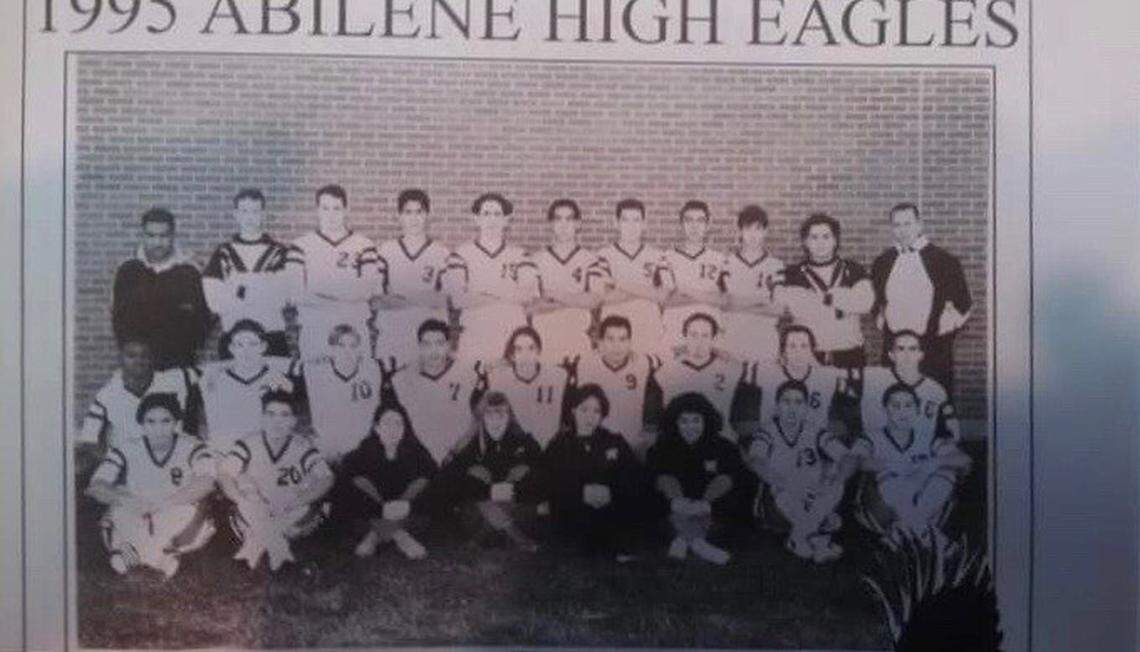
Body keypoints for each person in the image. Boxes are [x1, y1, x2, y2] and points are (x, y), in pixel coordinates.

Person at [86, 394, 217, 578]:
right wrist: (129, 500)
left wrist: (164, 503)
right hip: (139, 510)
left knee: (188, 512)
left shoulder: (193, 446)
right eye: (151, 422)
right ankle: (159, 558)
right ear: (142, 424)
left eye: (166, 421)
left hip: (174, 508)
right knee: (119, 510)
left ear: (176, 422)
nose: (158, 429)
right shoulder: (127, 448)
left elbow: (207, 482)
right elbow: (96, 485)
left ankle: (134, 554)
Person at [742, 380, 861, 563]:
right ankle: (817, 536)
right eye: (786, 402)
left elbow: (849, 458)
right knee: (790, 494)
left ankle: (803, 537)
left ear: (806, 407)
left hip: (812, 497)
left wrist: (835, 480)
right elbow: (756, 461)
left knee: (836, 483)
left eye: (798, 403)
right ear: (777, 406)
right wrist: (792, 485)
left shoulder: (814, 431)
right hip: (778, 502)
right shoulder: (767, 432)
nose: (792, 408)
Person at [218, 390, 334, 572]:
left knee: (310, 501)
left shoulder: (302, 445)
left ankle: (254, 546)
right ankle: (281, 552)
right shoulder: (248, 443)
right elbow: (224, 474)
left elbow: (327, 478)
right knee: (245, 491)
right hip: (256, 508)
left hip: (289, 510)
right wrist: (242, 500)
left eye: (284, 415)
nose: (276, 421)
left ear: (293, 421)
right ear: (263, 418)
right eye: (270, 415)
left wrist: (293, 502)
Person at [870, 202, 973, 393]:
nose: (902, 231)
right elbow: (876, 300)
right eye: (897, 225)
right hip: (896, 348)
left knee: (934, 401)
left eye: (907, 224)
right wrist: (881, 320)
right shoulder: (882, 262)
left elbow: (963, 302)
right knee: (895, 399)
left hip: (932, 348)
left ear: (919, 225)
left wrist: (943, 331)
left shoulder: (944, 260)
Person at [856, 383, 972, 547]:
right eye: (895, 406)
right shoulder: (871, 437)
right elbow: (858, 461)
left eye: (908, 405)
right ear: (885, 410)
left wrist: (934, 462)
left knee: (947, 470)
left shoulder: (927, 437)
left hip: (924, 498)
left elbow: (964, 459)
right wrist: (895, 465)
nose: (902, 411)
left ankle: (904, 530)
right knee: (884, 473)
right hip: (885, 506)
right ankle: (933, 539)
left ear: (917, 409)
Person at [646, 392, 753, 565]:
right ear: (674, 423)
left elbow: (733, 480)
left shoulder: (724, 447)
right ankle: (698, 544)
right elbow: (655, 481)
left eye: (696, 420)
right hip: (675, 511)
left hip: (711, 512)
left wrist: (706, 504)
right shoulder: (661, 447)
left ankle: (684, 540)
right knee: (666, 503)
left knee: (723, 502)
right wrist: (677, 502)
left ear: (706, 420)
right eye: (684, 421)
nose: (690, 427)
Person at [543, 384, 643, 560]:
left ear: (603, 414)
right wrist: (581, 492)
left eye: (597, 411)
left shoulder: (614, 440)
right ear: (573, 410)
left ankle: (612, 541)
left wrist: (611, 491)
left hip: (609, 505)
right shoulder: (559, 444)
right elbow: (550, 481)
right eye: (584, 409)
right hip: (574, 508)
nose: (590, 416)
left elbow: (632, 473)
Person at [284, 184, 382, 361]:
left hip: (353, 329)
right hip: (315, 328)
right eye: (325, 208)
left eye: (336, 208)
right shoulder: (301, 245)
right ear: (317, 210)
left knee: (355, 382)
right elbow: (296, 294)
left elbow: (368, 290)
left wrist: (320, 292)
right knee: (317, 384)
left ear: (345, 210)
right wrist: (347, 293)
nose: (331, 214)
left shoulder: (364, 245)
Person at [437, 391, 543, 551]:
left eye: (501, 415)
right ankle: (516, 537)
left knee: (526, 506)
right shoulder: (469, 444)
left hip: (516, 512)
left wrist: (515, 487)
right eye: (489, 415)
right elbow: (446, 481)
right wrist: (488, 490)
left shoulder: (526, 442)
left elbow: (544, 476)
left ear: (510, 417)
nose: (496, 421)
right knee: (477, 504)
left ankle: (480, 539)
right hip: (480, 515)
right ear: (481, 418)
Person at [334, 402, 437, 560]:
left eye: (398, 424)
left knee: (427, 487)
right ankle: (400, 536)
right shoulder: (362, 452)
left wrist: (406, 503)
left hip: (405, 511)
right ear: (377, 427)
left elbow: (431, 477)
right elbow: (347, 479)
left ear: (405, 428)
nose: (393, 429)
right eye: (387, 423)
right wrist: (380, 507)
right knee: (353, 486)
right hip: (372, 511)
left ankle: (374, 535)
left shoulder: (417, 451)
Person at [111, 207, 211, 369]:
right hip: (139, 370)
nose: (157, 242)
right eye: (151, 236)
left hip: (179, 366)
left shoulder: (189, 273)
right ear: (143, 236)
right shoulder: (128, 271)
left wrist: (184, 350)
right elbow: (119, 321)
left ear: (173, 236)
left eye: (163, 236)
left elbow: (202, 323)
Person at [201, 188, 293, 357]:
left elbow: (283, 297)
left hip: (272, 336)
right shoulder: (223, 253)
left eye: (255, 211)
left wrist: (238, 288)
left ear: (263, 214)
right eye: (244, 211)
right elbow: (214, 302)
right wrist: (263, 285)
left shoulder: (279, 253)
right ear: (236, 214)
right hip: (234, 338)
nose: (249, 217)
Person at [776, 213, 874, 371]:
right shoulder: (792, 274)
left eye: (826, 237)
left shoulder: (854, 269)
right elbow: (789, 307)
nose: (820, 243)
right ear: (805, 242)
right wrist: (844, 298)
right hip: (807, 356)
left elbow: (865, 303)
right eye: (814, 237)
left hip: (849, 355)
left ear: (835, 240)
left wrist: (818, 298)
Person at [447, 193, 537, 361]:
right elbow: (458, 299)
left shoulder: (521, 254)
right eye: (486, 214)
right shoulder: (460, 254)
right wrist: (505, 291)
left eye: (497, 214)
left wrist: (481, 293)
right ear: (476, 219)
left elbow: (527, 295)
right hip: (475, 335)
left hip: (512, 336)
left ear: (506, 220)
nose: (491, 220)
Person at [387, 319, 485, 464]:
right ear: (419, 347)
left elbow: (479, 420)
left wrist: (457, 451)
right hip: (417, 461)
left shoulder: (469, 375)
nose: (434, 351)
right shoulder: (401, 380)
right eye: (427, 344)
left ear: (448, 345)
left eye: (439, 343)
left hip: (460, 458)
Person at [653, 312, 762, 443]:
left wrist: (723, 352)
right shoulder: (665, 372)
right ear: (684, 336)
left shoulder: (732, 370)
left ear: (714, 339)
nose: (699, 341)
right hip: (678, 444)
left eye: (705, 336)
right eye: (693, 335)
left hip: (720, 442)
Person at [371, 189, 453, 362]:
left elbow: (446, 300)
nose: (414, 218)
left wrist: (399, 298)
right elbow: (376, 300)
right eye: (408, 212)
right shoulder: (385, 251)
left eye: (419, 212)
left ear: (427, 215)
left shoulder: (442, 253)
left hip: (428, 340)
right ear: (399, 216)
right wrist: (423, 297)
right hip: (393, 336)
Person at [79, 338, 200, 448]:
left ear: (152, 359)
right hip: (127, 461)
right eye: (131, 356)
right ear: (120, 359)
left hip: (172, 458)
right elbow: (88, 439)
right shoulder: (106, 395)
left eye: (145, 356)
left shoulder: (174, 379)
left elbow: (213, 373)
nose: (139, 361)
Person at [569, 315, 662, 457]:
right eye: (610, 339)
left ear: (630, 342)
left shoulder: (643, 363)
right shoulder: (584, 365)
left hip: (632, 444)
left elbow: (654, 404)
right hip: (594, 445)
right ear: (600, 342)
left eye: (622, 339)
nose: (616, 346)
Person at [529, 199, 609, 361]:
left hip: (577, 339)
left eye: (569, 219)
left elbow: (594, 300)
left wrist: (552, 294)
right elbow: (531, 307)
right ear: (551, 224)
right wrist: (577, 298)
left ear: (578, 224)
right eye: (558, 219)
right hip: (544, 340)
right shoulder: (535, 260)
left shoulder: (592, 259)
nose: (564, 225)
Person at [290, 324, 382, 463]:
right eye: (341, 345)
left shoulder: (372, 370)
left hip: (362, 447)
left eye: (353, 346)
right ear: (331, 349)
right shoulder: (314, 371)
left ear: (359, 349)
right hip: (327, 448)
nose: (347, 351)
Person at [200, 320, 293, 450]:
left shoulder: (278, 379)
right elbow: (216, 426)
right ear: (231, 348)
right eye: (239, 345)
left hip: (264, 451)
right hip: (227, 449)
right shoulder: (216, 380)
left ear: (263, 346)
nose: (246, 351)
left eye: (253, 344)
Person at [596, 198, 670, 357]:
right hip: (614, 333)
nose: (631, 226)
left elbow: (664, 296)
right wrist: (648, 291)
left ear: (643, 224)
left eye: (636, 220)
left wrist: (617, 283)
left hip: (648, 328)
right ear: (617, 223)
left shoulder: (657, 256)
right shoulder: (603, 255)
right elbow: (603, 298)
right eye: (625, 220)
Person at [860, 330, 959, 442]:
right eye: (901, 349)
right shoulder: (873, 377)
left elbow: (952, 426)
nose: (907, 355)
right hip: (876, 449)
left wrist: (948, 443)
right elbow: (837, 377)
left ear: (920, 354)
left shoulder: (935, 389)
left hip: (920, 451)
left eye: (912, 349)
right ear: (891, 355)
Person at [720, 205, 785, 364]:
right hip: (732, 340)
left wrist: (737, 303)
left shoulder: (776, 266)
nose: (753, 235)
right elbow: (721, 305)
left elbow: (778, 309)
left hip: (764, 340)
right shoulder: (726, 264)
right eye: (748, 229)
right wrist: (760, 302)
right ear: (740, 232)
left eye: (758, 229)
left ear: (765, 232)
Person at [485, 326, 570, 447]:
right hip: (516, 451)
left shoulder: (557, 376)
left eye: (531, 348)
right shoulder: (499, 380)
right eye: (519, 349)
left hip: (549, 449)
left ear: (539, 351)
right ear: (512, 354)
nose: (525, 354)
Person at [660, 200, 728, 348]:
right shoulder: (666, 258)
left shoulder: (720, 260)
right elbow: (666, 300)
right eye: (689, 220)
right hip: (675, 333)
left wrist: (683, 290)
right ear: (681, 225)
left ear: (708, 225)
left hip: (709, 337)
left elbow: (725, 301)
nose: (694, 226)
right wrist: (707, 294)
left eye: (700, 221)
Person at [758, 325, 845, 436]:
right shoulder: (771, 379)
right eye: (792, 346)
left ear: (812, 350)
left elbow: (854, 399)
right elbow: (765, 419)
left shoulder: (827, 377)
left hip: (818, 441)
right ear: (783, 350)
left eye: (804, 346)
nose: (798, 352)